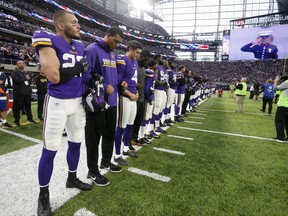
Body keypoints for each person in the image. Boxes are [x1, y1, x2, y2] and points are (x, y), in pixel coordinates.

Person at [32, 10, 91, 216]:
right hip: (57, 102)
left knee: (76, 143)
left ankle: (72, 178)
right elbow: (55, 76)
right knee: (50, 150)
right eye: (74, 23)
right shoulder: (47, 38)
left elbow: (82, 74)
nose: (78, 26)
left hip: (77, 103)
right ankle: (43, 196)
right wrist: (77, 68)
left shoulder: (81, 46)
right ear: (60, 25)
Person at [83, 26, 125, 184]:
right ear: (107, 36)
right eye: (115, 41)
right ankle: (92, 171)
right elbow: (85, 74)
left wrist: (120, 85)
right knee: (93, 138)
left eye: (119, 43)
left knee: (109, 134)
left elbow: (112, 77)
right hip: (97, 102)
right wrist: (105, 85)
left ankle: (106, 161)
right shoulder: (92, 50)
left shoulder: (112, 54)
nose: (116, 45)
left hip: (112, 101)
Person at [114, 40, 142, 165]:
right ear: (129, 48)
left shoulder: (134, 61)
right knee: (121, 125)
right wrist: (129, 94)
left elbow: (132, 81)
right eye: (136, 52)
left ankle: (126, 148)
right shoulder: (122, 59)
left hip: (132, 97)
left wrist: (135, 92)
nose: (137, 55)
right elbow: (118, 82)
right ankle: (117, 154)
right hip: (124, 97)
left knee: (130, 124)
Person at [11, 61, 36, 126]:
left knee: (28, 107)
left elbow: (28, 81)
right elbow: (17, 81)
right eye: (20, 63)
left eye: (22, 63)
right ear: (17, 65)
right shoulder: (14, 73)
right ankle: (16, 120)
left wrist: (30, 78)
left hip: (27, 92)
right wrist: (25, 78)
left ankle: (30, 118)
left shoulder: (25, 73)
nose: (22, 64)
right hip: (19, 93)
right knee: (17, 107)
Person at [273, 73, 288, 142]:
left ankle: (280, 137)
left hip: (284, 105)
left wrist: (275, 81)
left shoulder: (286, 82)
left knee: (279, 121)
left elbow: (275, 88)